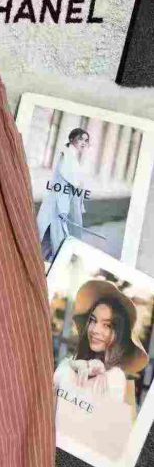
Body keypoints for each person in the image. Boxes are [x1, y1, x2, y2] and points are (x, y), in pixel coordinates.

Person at [54, 280, 148, 410]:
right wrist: (74, 365)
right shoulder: (73, 363)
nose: (95, 330)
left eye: (107, 325)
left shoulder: (118, 379)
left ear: (120, 334)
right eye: (93, 320)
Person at [36, 127, 90, 262]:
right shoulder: (67, 156)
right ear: (71, 139)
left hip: (63, 206)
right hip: (60, 206)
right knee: (58, 239)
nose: (83, 143)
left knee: (52, 238)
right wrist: (64, 210)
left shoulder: (71, 157)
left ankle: (44, 261)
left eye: (86, 140)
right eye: (80, 139)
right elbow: (62, 186)